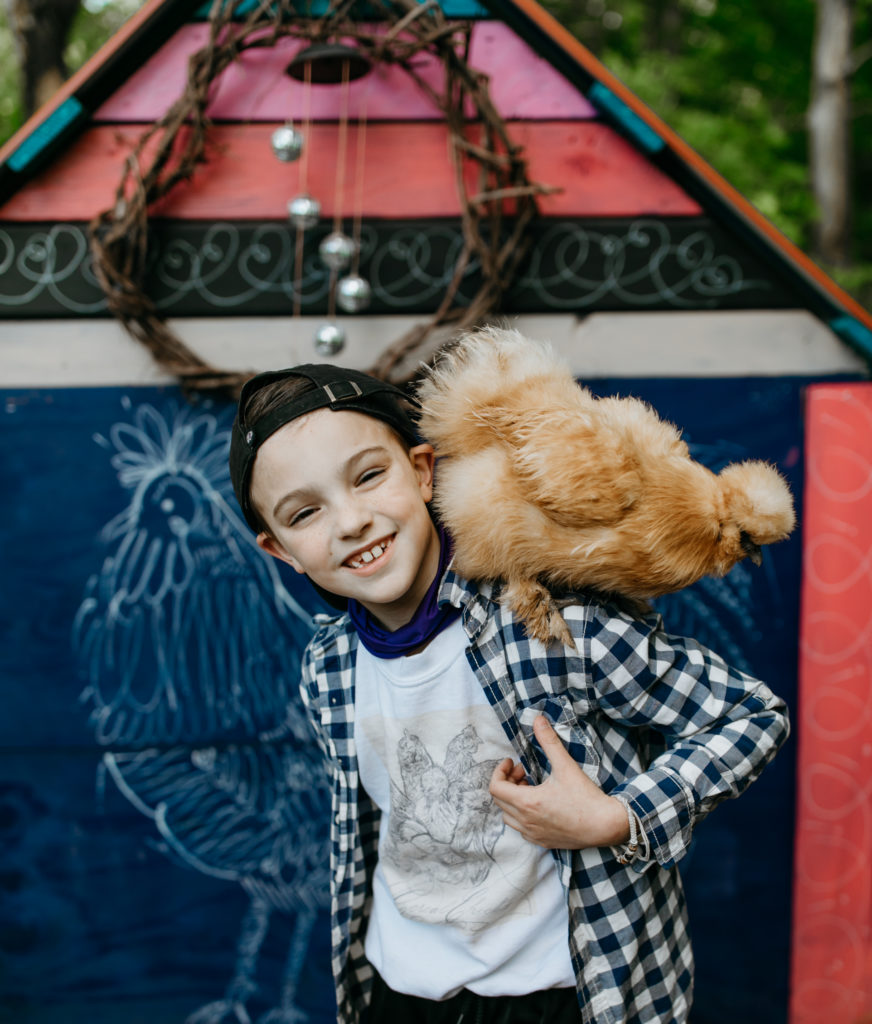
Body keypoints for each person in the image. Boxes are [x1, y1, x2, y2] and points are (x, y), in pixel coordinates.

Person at [228, 361, 790, 1024]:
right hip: (400, 991)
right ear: (280, 549)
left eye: (369, 475)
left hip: (556, 992)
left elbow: (751, 716)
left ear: (423, 470)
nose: (350, 521)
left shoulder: (553, 625)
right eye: (306, 512)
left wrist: (619, 817)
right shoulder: (328, 669)